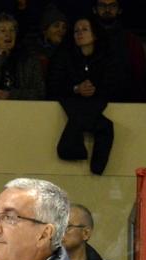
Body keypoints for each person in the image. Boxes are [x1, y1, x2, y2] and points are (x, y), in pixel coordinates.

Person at [47, 14, 121, 175]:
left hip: (95, 100)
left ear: (94, 34)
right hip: (73, 100)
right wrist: (76, 89)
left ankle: (75, 150)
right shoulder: (64, 56)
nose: (79, 33)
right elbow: (54, 85)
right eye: (76, 31)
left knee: (102, 124)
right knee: (104, 126)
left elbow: (115, 83)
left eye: (84, 29)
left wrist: (95, 89)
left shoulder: (107, 57)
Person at [0, 13, 44, 100]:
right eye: (3, 31)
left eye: (12, 30)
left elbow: (40, 93)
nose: (8, 34)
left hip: (22, 110)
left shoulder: (29, 59)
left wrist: (11, 95)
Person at [93, 0, 146, 101]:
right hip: (89, 101)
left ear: (119, 10)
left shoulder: (131, 41)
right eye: (102, 5)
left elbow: (139, 77)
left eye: (112, 5)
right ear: (94, 9)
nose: (107, 9)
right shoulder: (85, 37)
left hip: (123, 102)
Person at [28, 4, 66, 77]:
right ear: (45, 30)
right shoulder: (32, 51)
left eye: (64, 27)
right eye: (56, 26)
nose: (61, 30)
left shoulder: (67, 51)